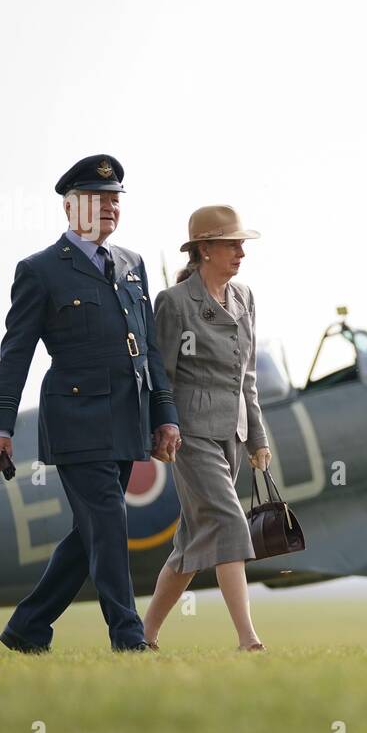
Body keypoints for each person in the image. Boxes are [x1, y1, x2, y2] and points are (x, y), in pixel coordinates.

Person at [0, 154, 182, 654]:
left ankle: (29, 627)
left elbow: (149, 349)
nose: (112, 207)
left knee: (91, 531)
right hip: (76, 420)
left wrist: (165, 416)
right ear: (72, 208)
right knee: (110, 519)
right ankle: (128, 636)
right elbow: (15, 356)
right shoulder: (40, 271)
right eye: (100, 199)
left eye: (116, 199)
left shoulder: (132, 266)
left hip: (127, 419)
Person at [142, 204, 272, 652]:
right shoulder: (174, 303)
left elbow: (247, 376)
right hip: (191, 434)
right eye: (231, 244)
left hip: (231, 434)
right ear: (204, 249)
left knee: (189, 546)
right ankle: (248, 639)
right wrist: (164, 427)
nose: (241, 253)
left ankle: (144, 638)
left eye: (242, 244)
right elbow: (162, 376)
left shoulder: (245, 298)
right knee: (230, 524)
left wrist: (257, 439)